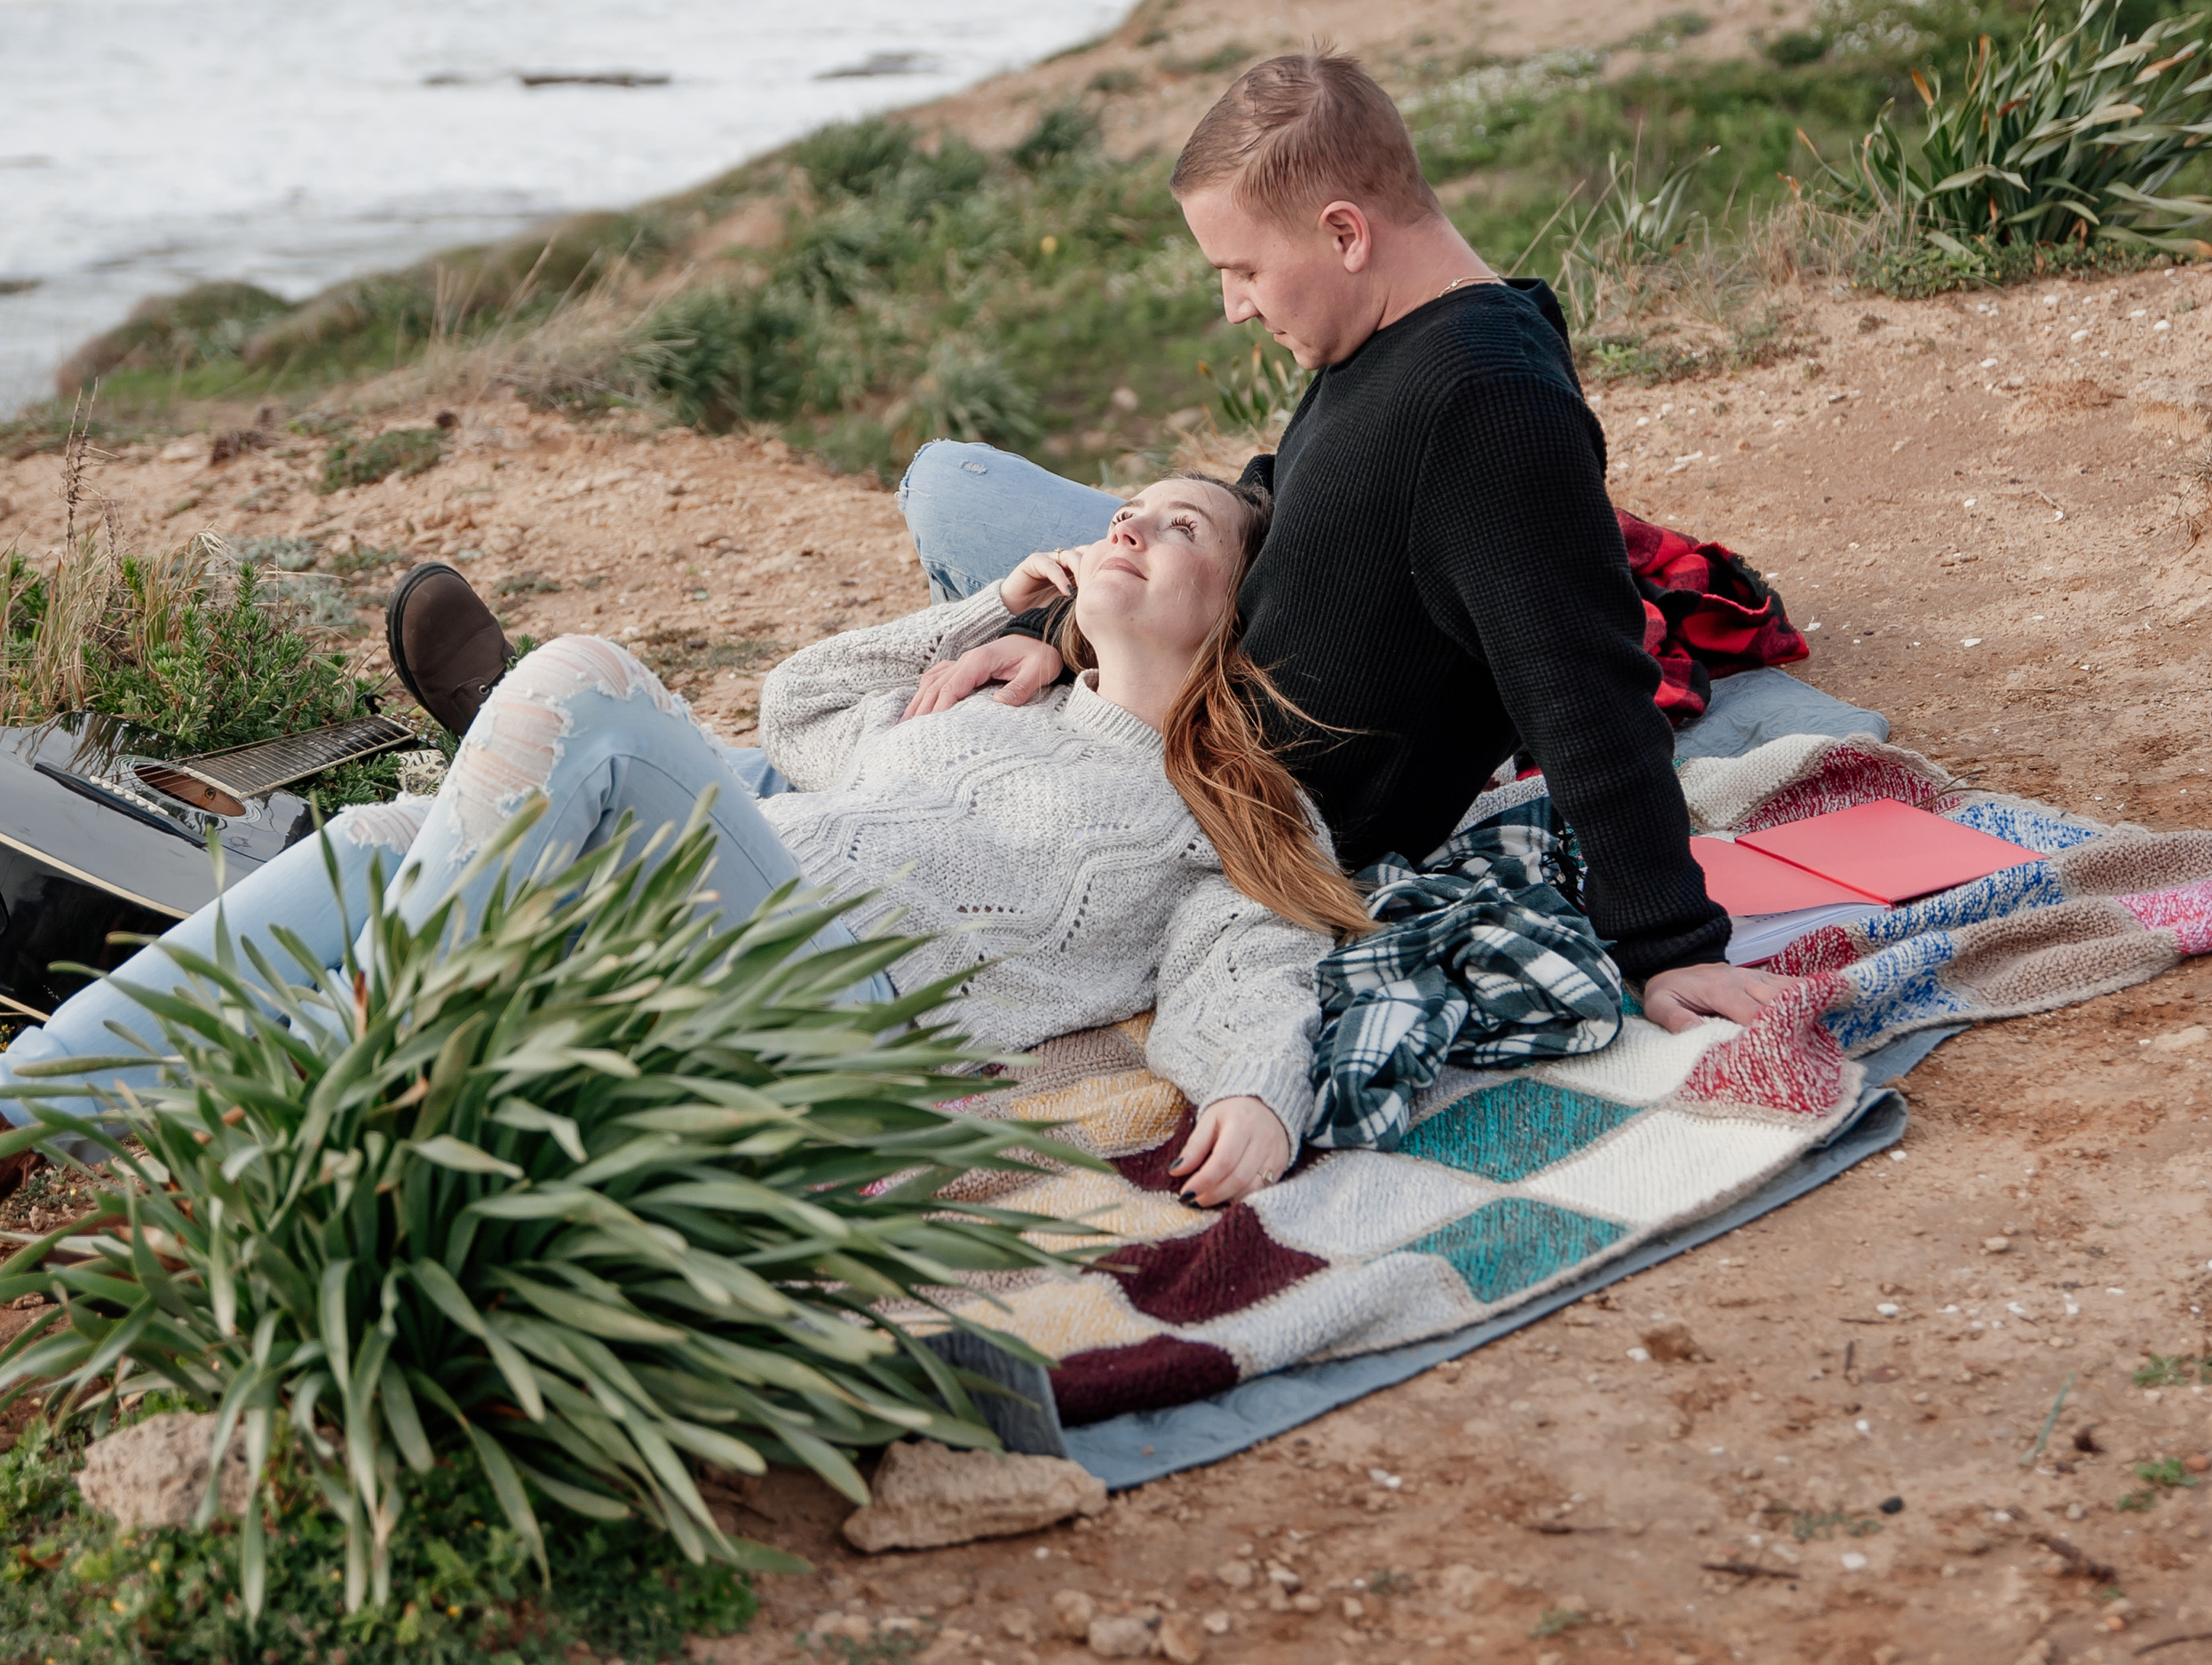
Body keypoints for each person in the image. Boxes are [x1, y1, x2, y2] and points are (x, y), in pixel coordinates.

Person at [1, 476, 1361, 1207]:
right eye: (1125, 506)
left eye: (1179, 526)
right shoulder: (1000, 692)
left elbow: (1260, 953)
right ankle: (33, 1102)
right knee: (383, 832)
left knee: (583, 677)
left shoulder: (1227, 807)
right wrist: (988, 616)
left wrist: (1254, 1092)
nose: (1129, 521)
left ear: (1235, 614)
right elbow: (797, 708)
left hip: (837, 1000)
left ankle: (366, 1103)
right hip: (728, 902)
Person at [898, 51, 1798, 1036]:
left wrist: (1668, 945)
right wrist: (1067, 630)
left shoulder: (1486, 408)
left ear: (1343, 233)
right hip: (1183, 645)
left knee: (949, 498)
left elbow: (1582, 681)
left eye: (1242, 270)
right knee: (952, 481)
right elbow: (1282, 489)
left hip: (1204, 768)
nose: (1234, 306)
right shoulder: (1390, 332)